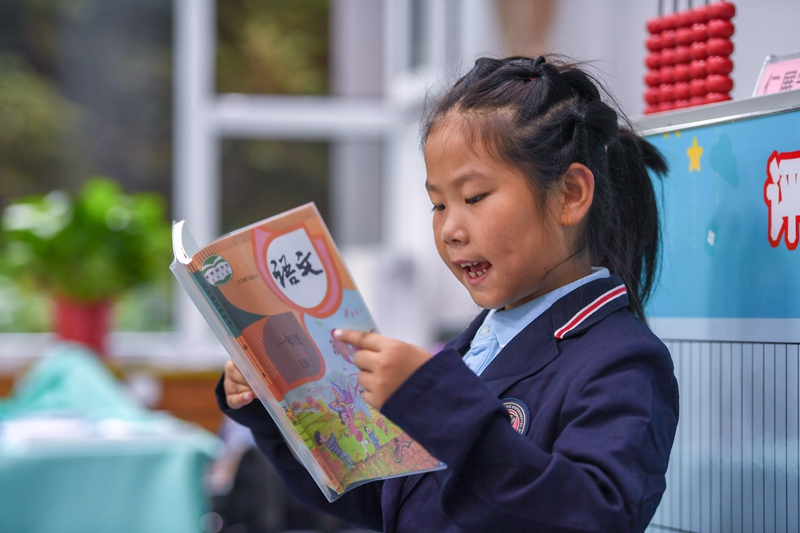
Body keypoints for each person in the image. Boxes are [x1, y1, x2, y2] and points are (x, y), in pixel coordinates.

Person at [218, 55, 679, 533]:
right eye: (438, 204)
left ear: (570, 194)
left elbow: (592, 518)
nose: (450, 229)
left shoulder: (624, 361)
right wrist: (276, 405)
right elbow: (384, 499)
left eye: (474, 197)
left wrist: (434, 404)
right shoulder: (474, 349)